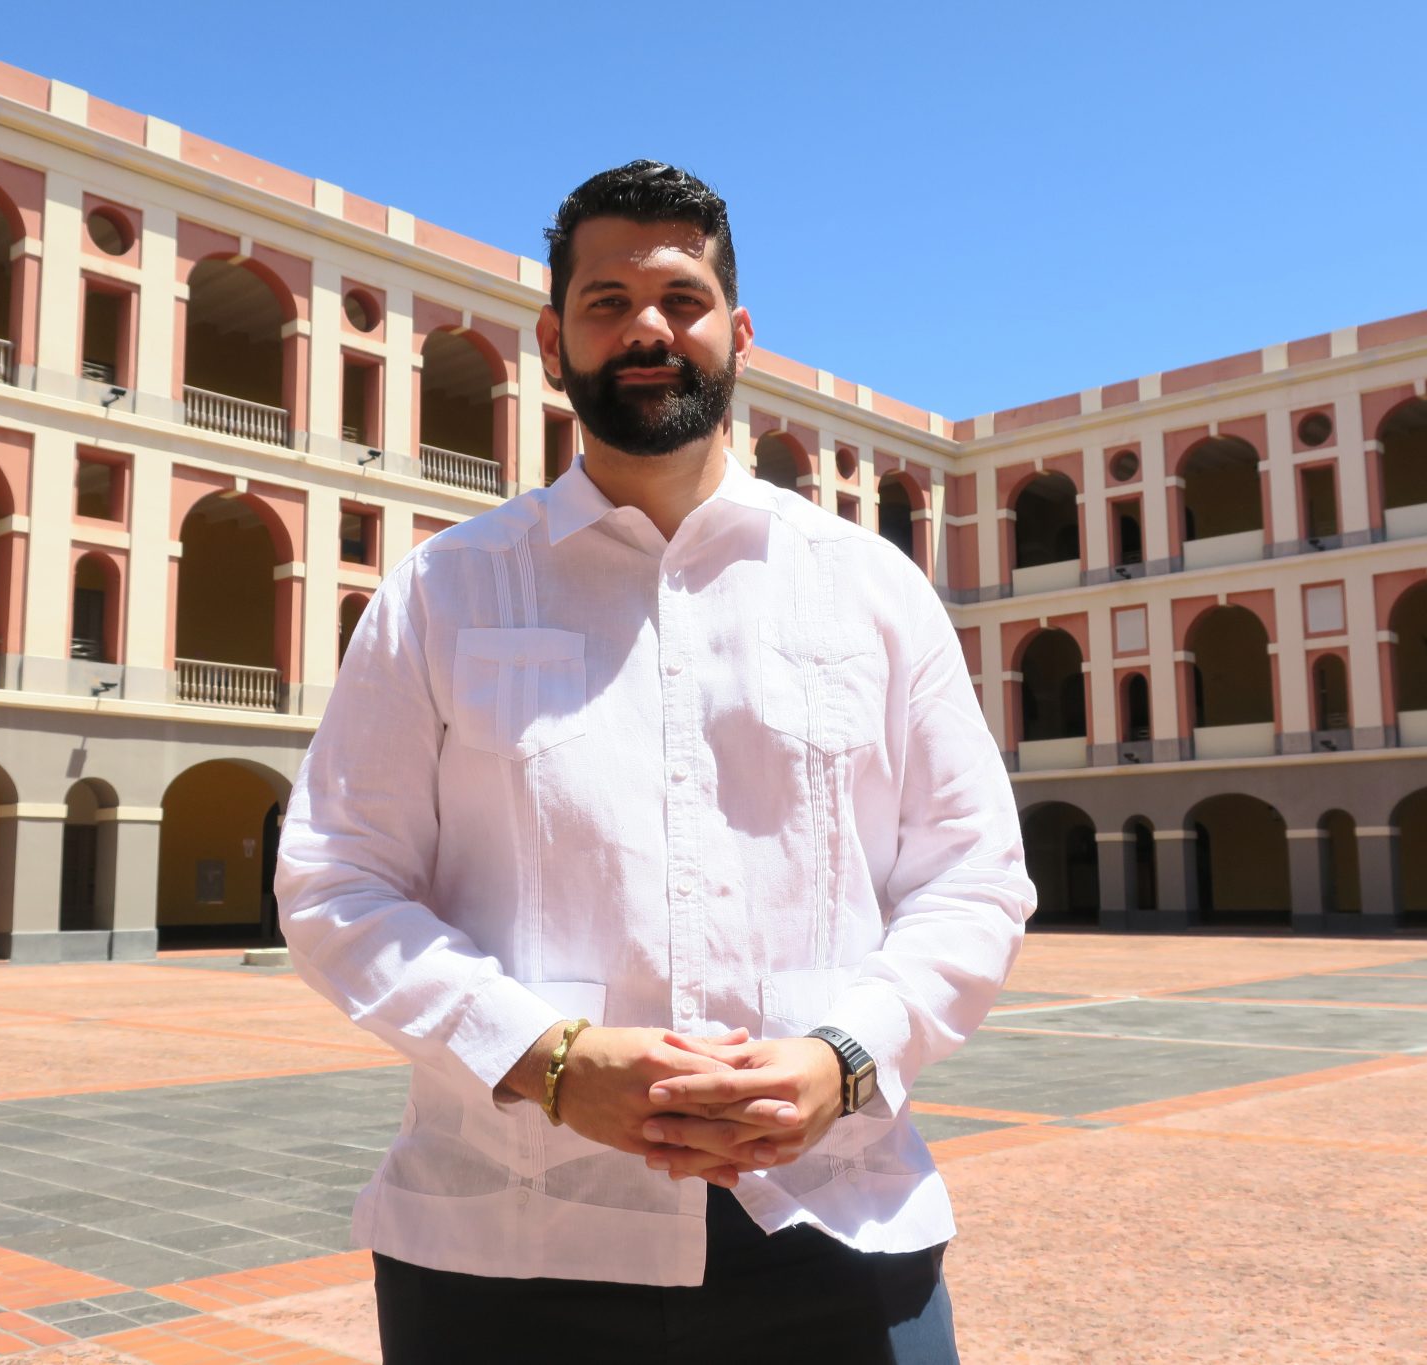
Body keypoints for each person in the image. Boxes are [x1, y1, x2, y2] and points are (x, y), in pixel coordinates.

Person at [277, 160, 1035, 1364]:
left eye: (679, 298)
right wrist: (547, 1061)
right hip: (508, 1243)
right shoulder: (444, 588)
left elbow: (972, 878)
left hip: (835, 1227)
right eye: (604, 299)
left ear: (736, 333)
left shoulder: (872, 588)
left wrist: (839, 1065)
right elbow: (335, 878)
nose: (645, 327)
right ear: (551, 339)